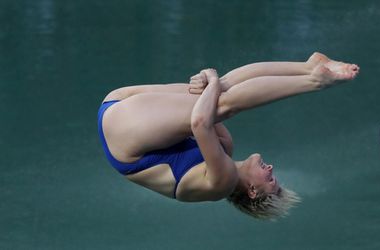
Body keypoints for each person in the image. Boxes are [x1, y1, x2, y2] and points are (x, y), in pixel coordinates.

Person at [97, 52, 359, 220]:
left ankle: (314, 81)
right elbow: (207, 104)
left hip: (123, 134)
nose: (271, 169)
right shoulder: (225, 150)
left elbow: (201, 121)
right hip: (118, 107)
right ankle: (308, 66)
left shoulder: (222, 182)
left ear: (253, 191)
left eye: (272, 180)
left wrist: (210, 81)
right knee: (223, 91)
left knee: (223, 103)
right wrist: (210, 84)